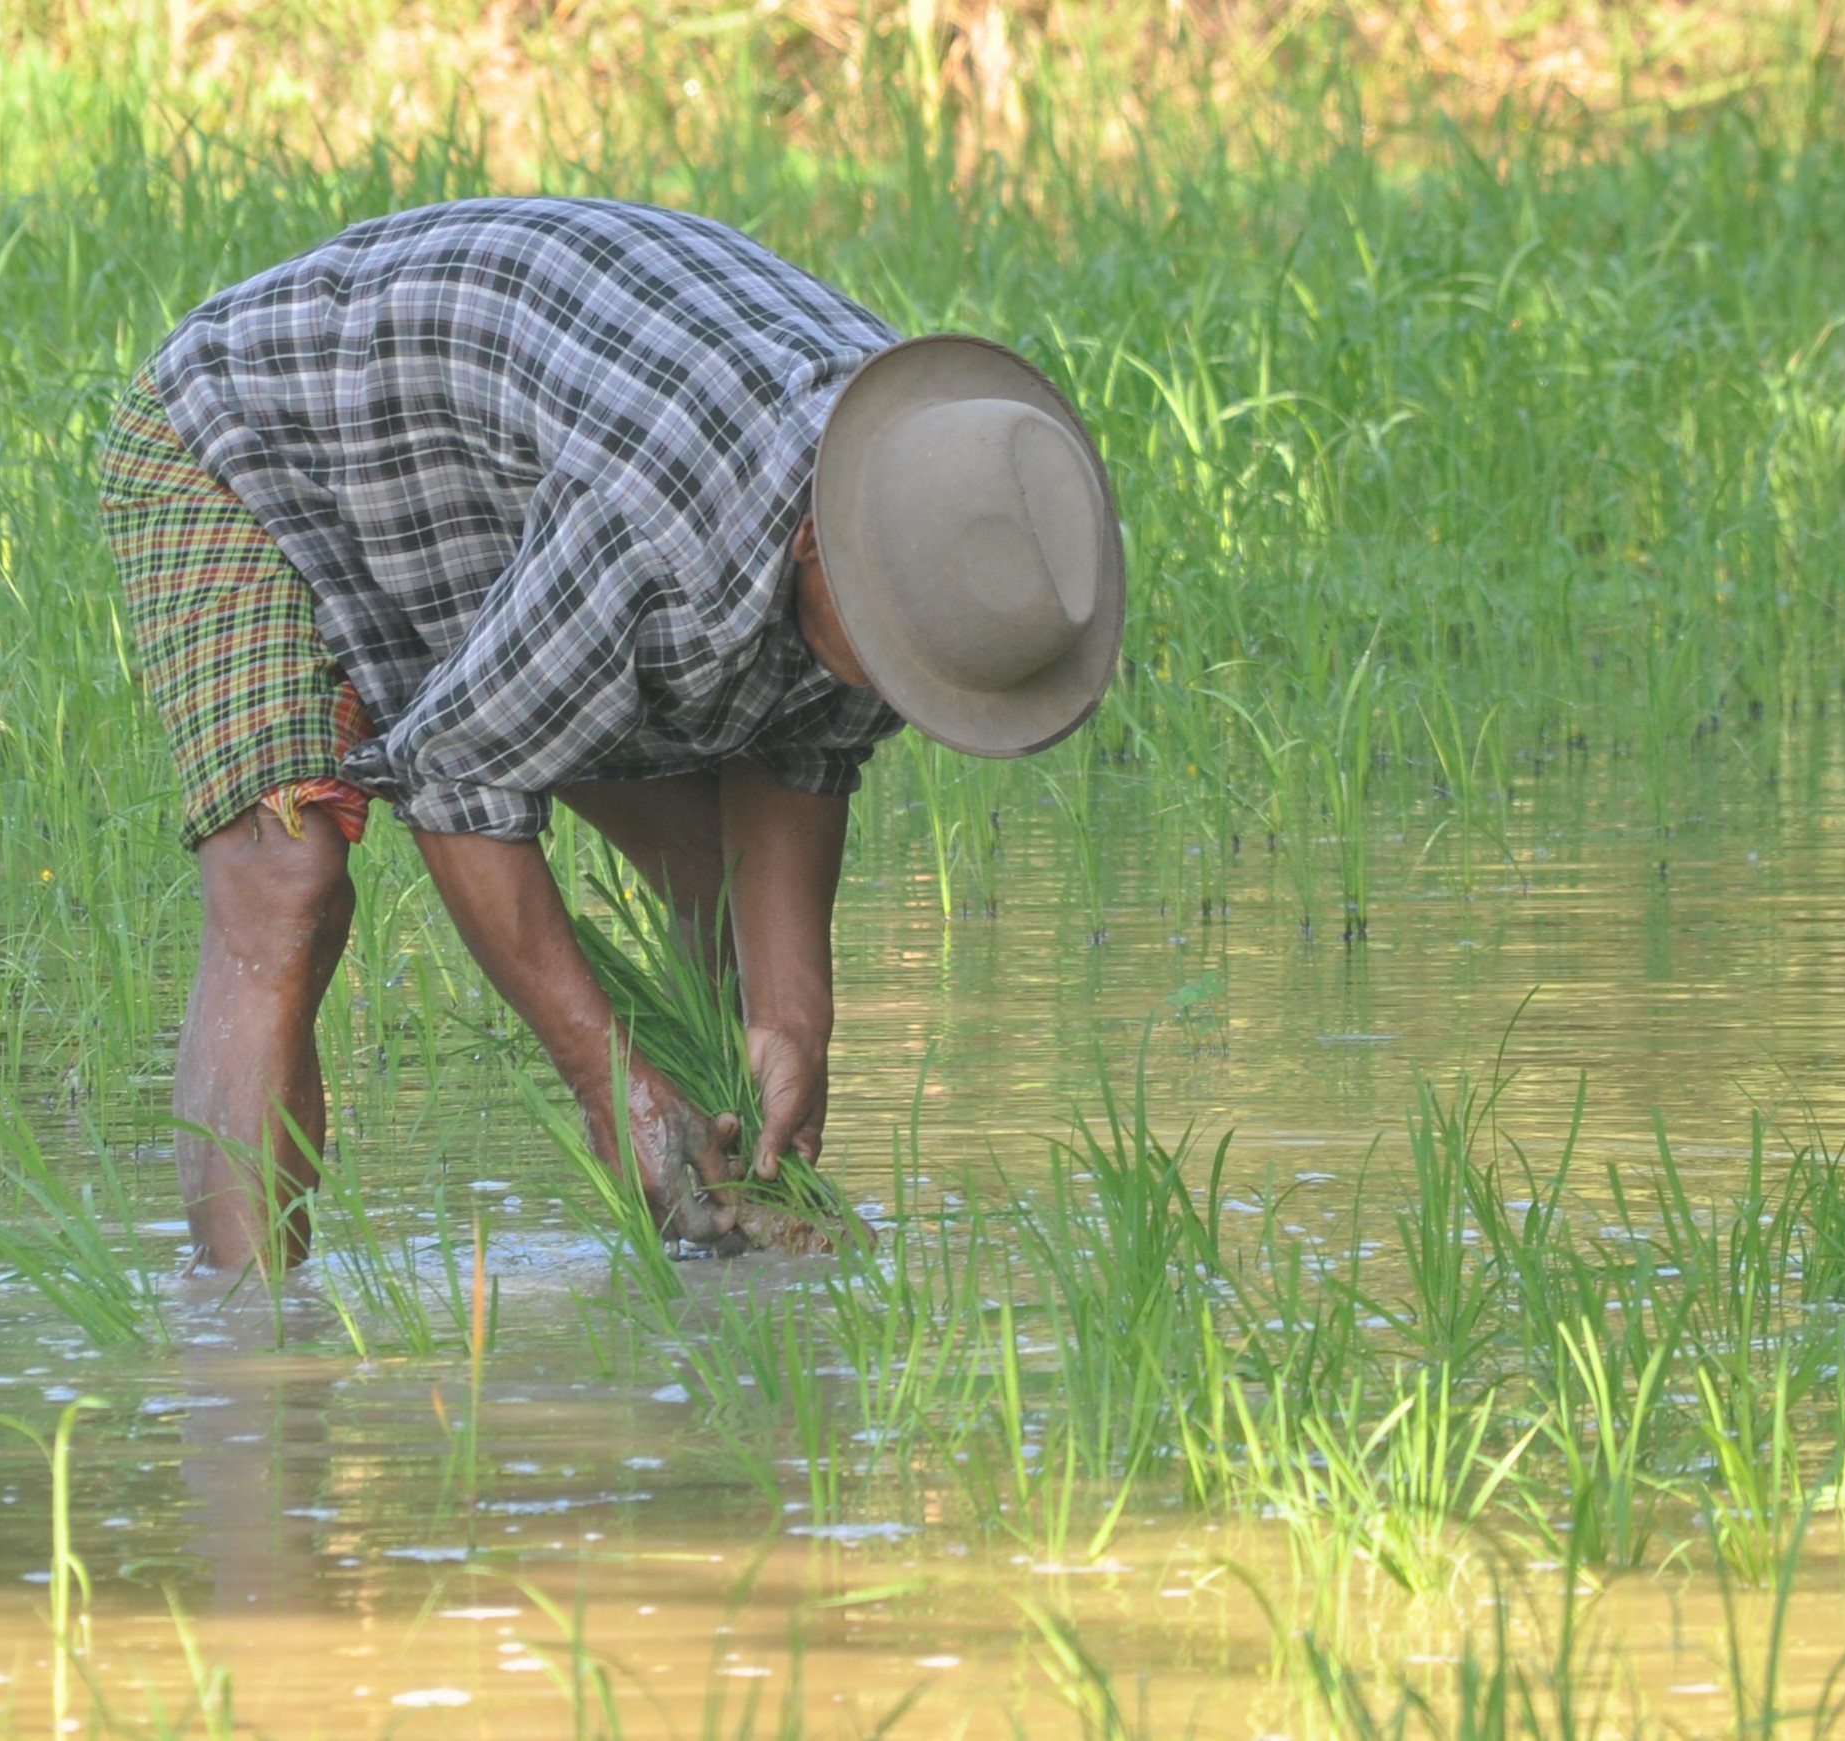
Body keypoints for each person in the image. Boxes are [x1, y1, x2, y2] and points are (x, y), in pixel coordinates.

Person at [102, 198, 1124, 1269]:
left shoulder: (930, 510)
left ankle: (731, 1251)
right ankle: (248, 1348)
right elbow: (459, 781)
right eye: (884, 654)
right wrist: (607, 1077)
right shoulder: (661, 528)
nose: (888, 690)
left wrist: (794, 1017)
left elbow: (800, 754)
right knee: (284, 890)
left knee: (712, 898)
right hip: (250, 438)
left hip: (489, 487)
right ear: (820, 543)